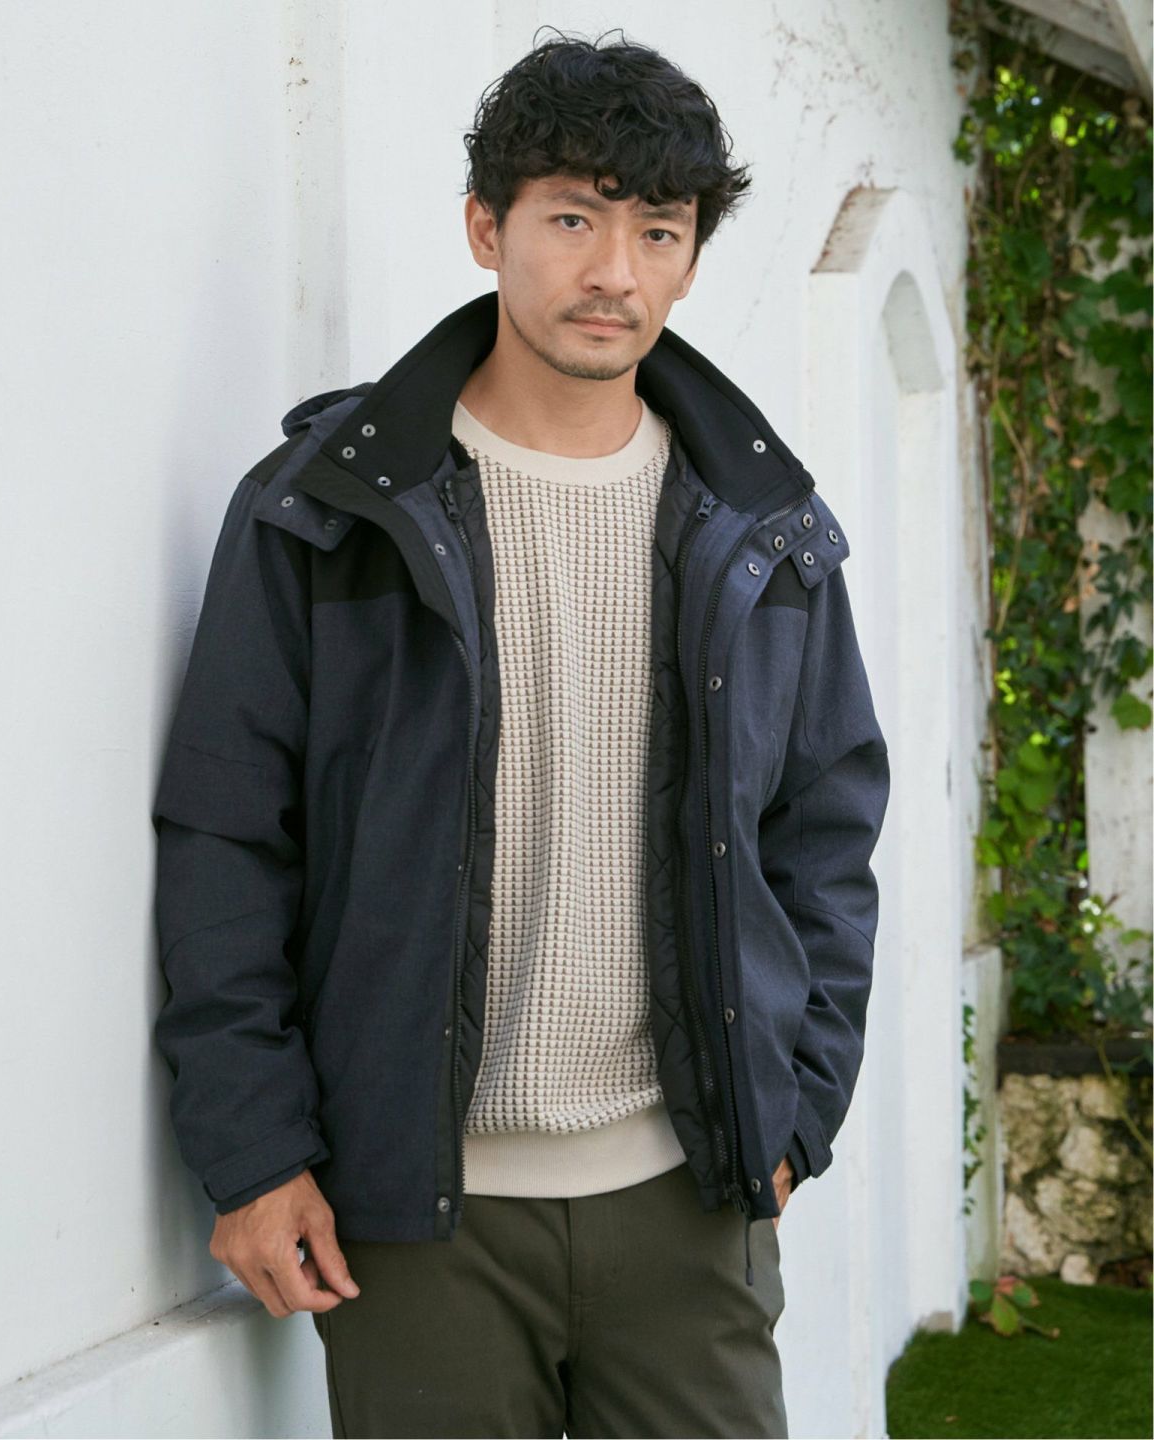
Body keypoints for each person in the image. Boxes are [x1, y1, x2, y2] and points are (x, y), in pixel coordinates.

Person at [151, 27, 890, 1440]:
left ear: (689, 258)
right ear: (486, 229)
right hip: (414, 1218)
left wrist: (796, 1113)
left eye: (657, 230)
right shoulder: (324, 515)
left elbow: (827, 831)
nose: (614, 271)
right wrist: (252, 1151)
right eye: (572, 219)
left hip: (689, 1203)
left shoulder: (766, 531)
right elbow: (226, 839)